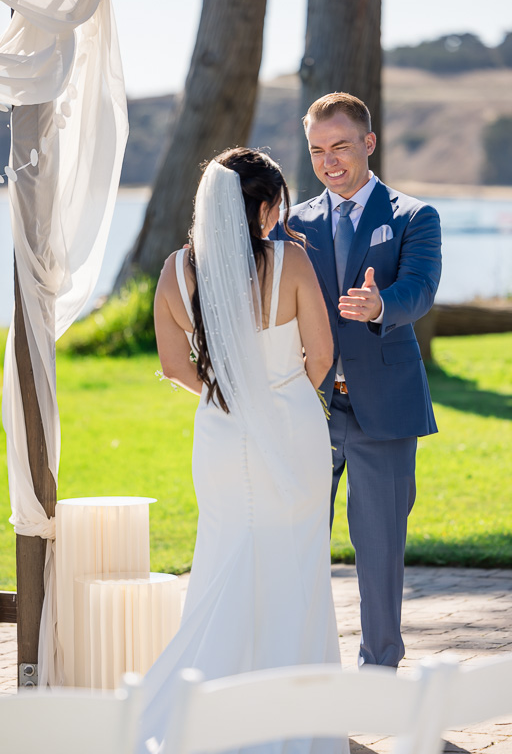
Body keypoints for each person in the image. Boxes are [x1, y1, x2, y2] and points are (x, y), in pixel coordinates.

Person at [141, 147, 347, 754]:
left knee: (225, 557)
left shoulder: (176, 272)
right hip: (292, 429)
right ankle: (296, 716)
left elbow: (174, 366)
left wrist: (230, 397)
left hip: (222, 435)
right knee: (297, 565)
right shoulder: (291, 261)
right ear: (262, 207)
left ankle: (208, 710)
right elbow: (322, 355)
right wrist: (276, 398)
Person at [271, 92, 442, 669]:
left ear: (368, 143)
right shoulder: (293, 223)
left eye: (340, 146)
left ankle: (380, 673)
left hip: (385, 411)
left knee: (379, 552)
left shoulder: (414, 216)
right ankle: (304, 665)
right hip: (309, 408)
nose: (329, 161)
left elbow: (418, 290)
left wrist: (379, 306)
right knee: (298, 545)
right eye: (317, 150)